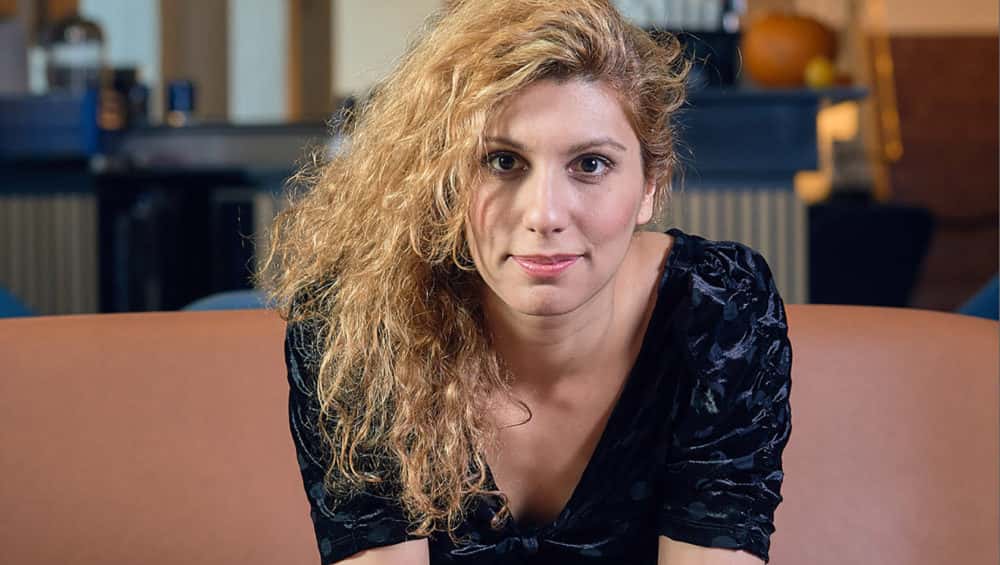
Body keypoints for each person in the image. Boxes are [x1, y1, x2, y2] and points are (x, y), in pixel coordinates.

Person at [260, 1, 792, 563]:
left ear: (651, 187)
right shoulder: (358, 323)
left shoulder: (721, 313)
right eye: (502, 162)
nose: (544, 215)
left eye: (590, 164)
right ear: (445, 178)